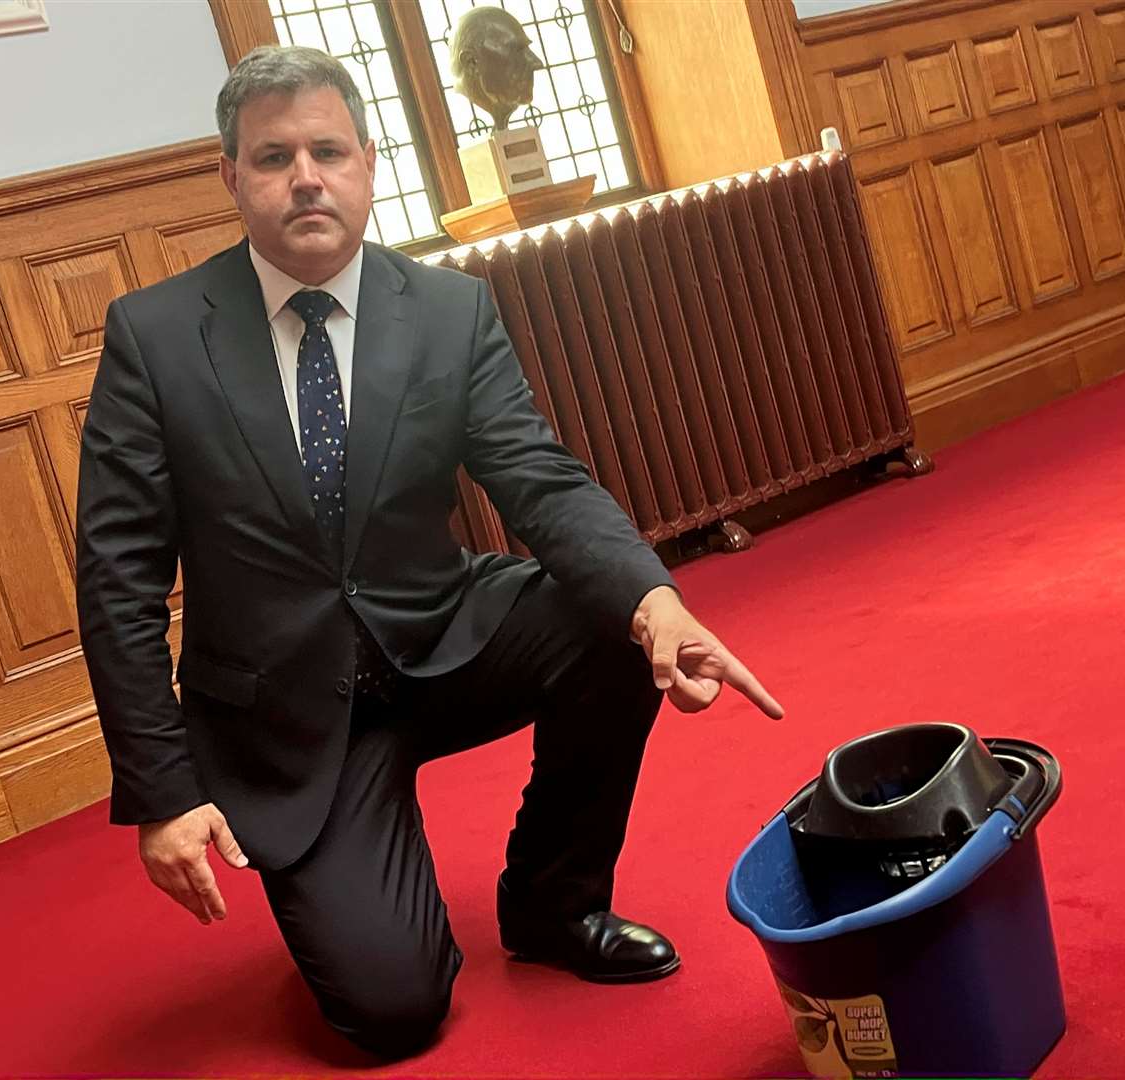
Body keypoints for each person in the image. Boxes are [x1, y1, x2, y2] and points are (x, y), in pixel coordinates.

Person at [75, 44, 783, 1060]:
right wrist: (164, 792)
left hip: (441, 638)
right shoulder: (154, 338)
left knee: (612, 619)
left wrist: (655, 601)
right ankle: (351, 898)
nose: (306, 176)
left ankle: (553, 905)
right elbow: (118, 579)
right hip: (284, 711)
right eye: (274, 157)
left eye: (328, 149)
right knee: (392, 1014)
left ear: (368, 161)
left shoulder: (449, 312)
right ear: (230, 177)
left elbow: (538, 478)